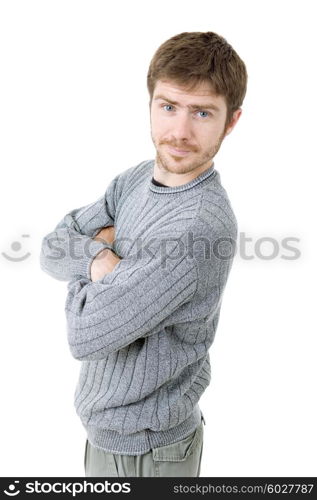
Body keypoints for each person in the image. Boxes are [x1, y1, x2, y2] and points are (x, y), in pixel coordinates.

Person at [40, 30, 247, 477]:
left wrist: (91, 258)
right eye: (168, 106)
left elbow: (86, 335)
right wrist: (101, 260)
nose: (180, 131)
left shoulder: (197, 228)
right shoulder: (133, 181)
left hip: (151, 451)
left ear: (231, 121)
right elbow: (50, 246)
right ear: (151, 103)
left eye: (202, 113)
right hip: (103, 433)